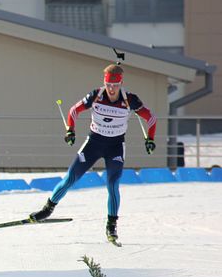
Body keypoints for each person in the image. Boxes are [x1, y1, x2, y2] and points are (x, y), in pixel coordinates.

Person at [28, 64, 157, 242]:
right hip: (94, 143)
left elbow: (150, 118)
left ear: (121, 83)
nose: (111, 89)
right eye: (108, 85)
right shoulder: (96, 95)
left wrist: (150, 139)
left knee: (112, 185)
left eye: (115, 85)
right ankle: (47, 209)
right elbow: (74, 110)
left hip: (115, 146)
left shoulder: (130, 99)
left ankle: (111, 226)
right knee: (70, 178)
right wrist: (70, 131)